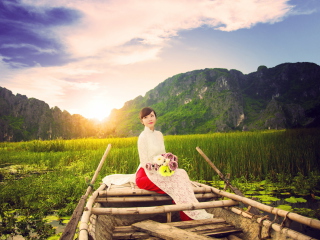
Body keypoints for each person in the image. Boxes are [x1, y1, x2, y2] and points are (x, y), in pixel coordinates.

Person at [135, 107, 213, 221]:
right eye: (145, 117)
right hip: (146, 172)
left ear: (155, 117)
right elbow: (144, 162)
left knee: (181, 173)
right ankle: (188, 217)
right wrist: (158, 170)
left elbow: (163, 154)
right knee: (175, 183)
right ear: (142, 121)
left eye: (152, 116)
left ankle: (189, 211)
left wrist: (167, 162)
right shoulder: (142, 137)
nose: (149, 119)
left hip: (161, 168)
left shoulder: (158, 134)